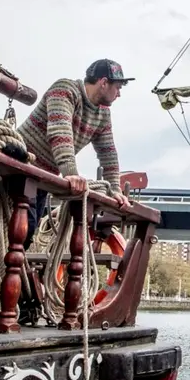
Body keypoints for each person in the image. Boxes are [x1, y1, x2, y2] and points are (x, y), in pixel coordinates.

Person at [19, 58, 133, 250]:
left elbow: (108, 153)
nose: (119, 94)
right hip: (20, 167)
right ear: (103, 83)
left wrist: (114, 189)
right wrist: (70, 172)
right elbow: (59, 130)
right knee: (22, 229)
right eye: (118, 87)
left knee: (28, 233)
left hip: (43, 178)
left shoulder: (102, 114)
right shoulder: (65, 90)